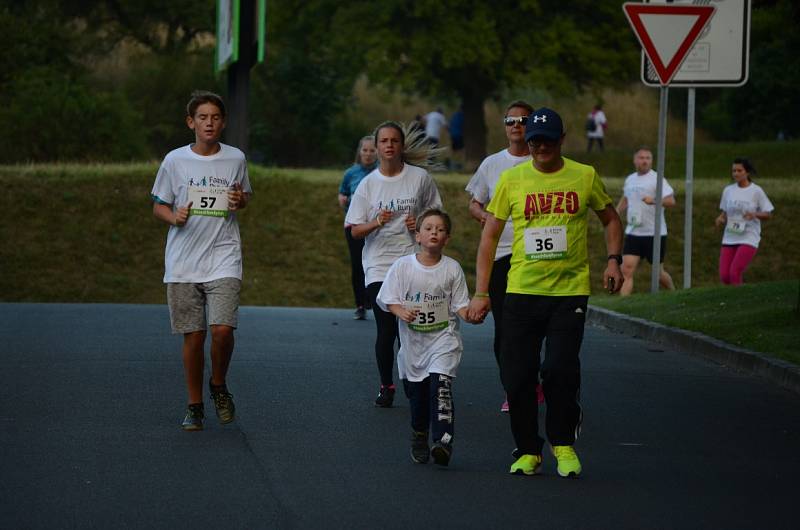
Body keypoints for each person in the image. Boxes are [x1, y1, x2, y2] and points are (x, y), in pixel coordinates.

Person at [467, 107, 623, 478]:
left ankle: (563, 444)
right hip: (521, 289)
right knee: (518, 376)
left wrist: (614, 260)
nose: (540, 146)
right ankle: (527, 449)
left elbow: (611, 218)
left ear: (561, 140)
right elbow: (489, 237)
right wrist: (481, 292)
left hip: (568, 293)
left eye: (548, 140)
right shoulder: (512, 180)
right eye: (535, 140)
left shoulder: (584, 176)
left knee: (558, 369)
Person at [151, 90, 252, 431]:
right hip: (183, 261)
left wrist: (239, 200)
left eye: (215, 117)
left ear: (223, 123)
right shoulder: (174, 160)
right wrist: (174, 216)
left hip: (224, 255)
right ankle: (194, 405)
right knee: (193, 337)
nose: (209, 123)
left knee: (222, 330)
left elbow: (244, 196)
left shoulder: (236, 158)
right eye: (202, 117)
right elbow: (158, 205)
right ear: (190, 122)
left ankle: (218, 384)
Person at [346, 121, 444, 408]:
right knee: (386, 328)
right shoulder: (368, 184)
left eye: (394, 141)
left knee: (411, 329)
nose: (389, 145)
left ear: (401, 146)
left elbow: (436, 216)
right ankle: (386, 384)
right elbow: (354, 230)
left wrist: (421, 225)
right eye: (384, 141)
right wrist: (376, 222)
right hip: (378, 264)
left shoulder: (420, 178)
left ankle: (413, 381)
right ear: (376, 148)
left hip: (412, 261)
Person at [377, 209, 473, 466]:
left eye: (440, 230)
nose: (434, 233)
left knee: (440, 387)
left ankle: (443, 441)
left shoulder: (452, 269)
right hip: (413, 346)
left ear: (447, 238)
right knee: (417, 396)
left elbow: (461, 306)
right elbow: (388, 299)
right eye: (429, 228)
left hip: (444, 339)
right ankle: (419, 434)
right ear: (417, 235)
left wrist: (471, 314)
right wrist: (402, 312)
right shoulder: (402, 266)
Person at [465, 99, 542, 412]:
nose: (516, 126)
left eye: (523, 120)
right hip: (500, 254)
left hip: (535, 254)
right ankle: (513, 387)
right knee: (504, 329)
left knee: (532, 325)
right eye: (510, 121)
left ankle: (532, 380)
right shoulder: (492, 163)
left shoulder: (542, 160)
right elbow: (474, 202)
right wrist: (485, 218)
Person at [616, 147, 676, 295]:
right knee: (626, 270)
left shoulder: (657, 179)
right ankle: (623, 305)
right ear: (635, 160)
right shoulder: (630, 179)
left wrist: (654, 201)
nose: (644, 161)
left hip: (654, 233)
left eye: (648, 158)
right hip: (634, 232)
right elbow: (626, 198)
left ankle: (674, 293)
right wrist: (616, 212)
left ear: (652, 161)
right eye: (641, 158)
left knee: (658, 273)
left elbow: (671, 201)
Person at [715, 158, 774, 285]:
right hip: (730, 236)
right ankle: (739, 293)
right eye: (733, 171)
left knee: (734, 272)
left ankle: (737, 301)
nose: (736, 173)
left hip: (748, 236)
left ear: (747, 173)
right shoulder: (728, 190)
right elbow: (725, 212)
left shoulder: (756, 191)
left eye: (739, 170)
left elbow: (768, 214)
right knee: (725, 276)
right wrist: (721, 218)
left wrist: (755, 214)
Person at [338, 136, 378, 319]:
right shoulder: (351, 173)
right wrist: (343, 199)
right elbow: (343, 192)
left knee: (372, 261)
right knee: (357, 262)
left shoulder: (381, 173)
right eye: (365, 150)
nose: (368, 154)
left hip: (376, 224)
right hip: (354, 223)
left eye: (372, 150)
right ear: (359, 152)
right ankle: (360, 303)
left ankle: (373, 297)